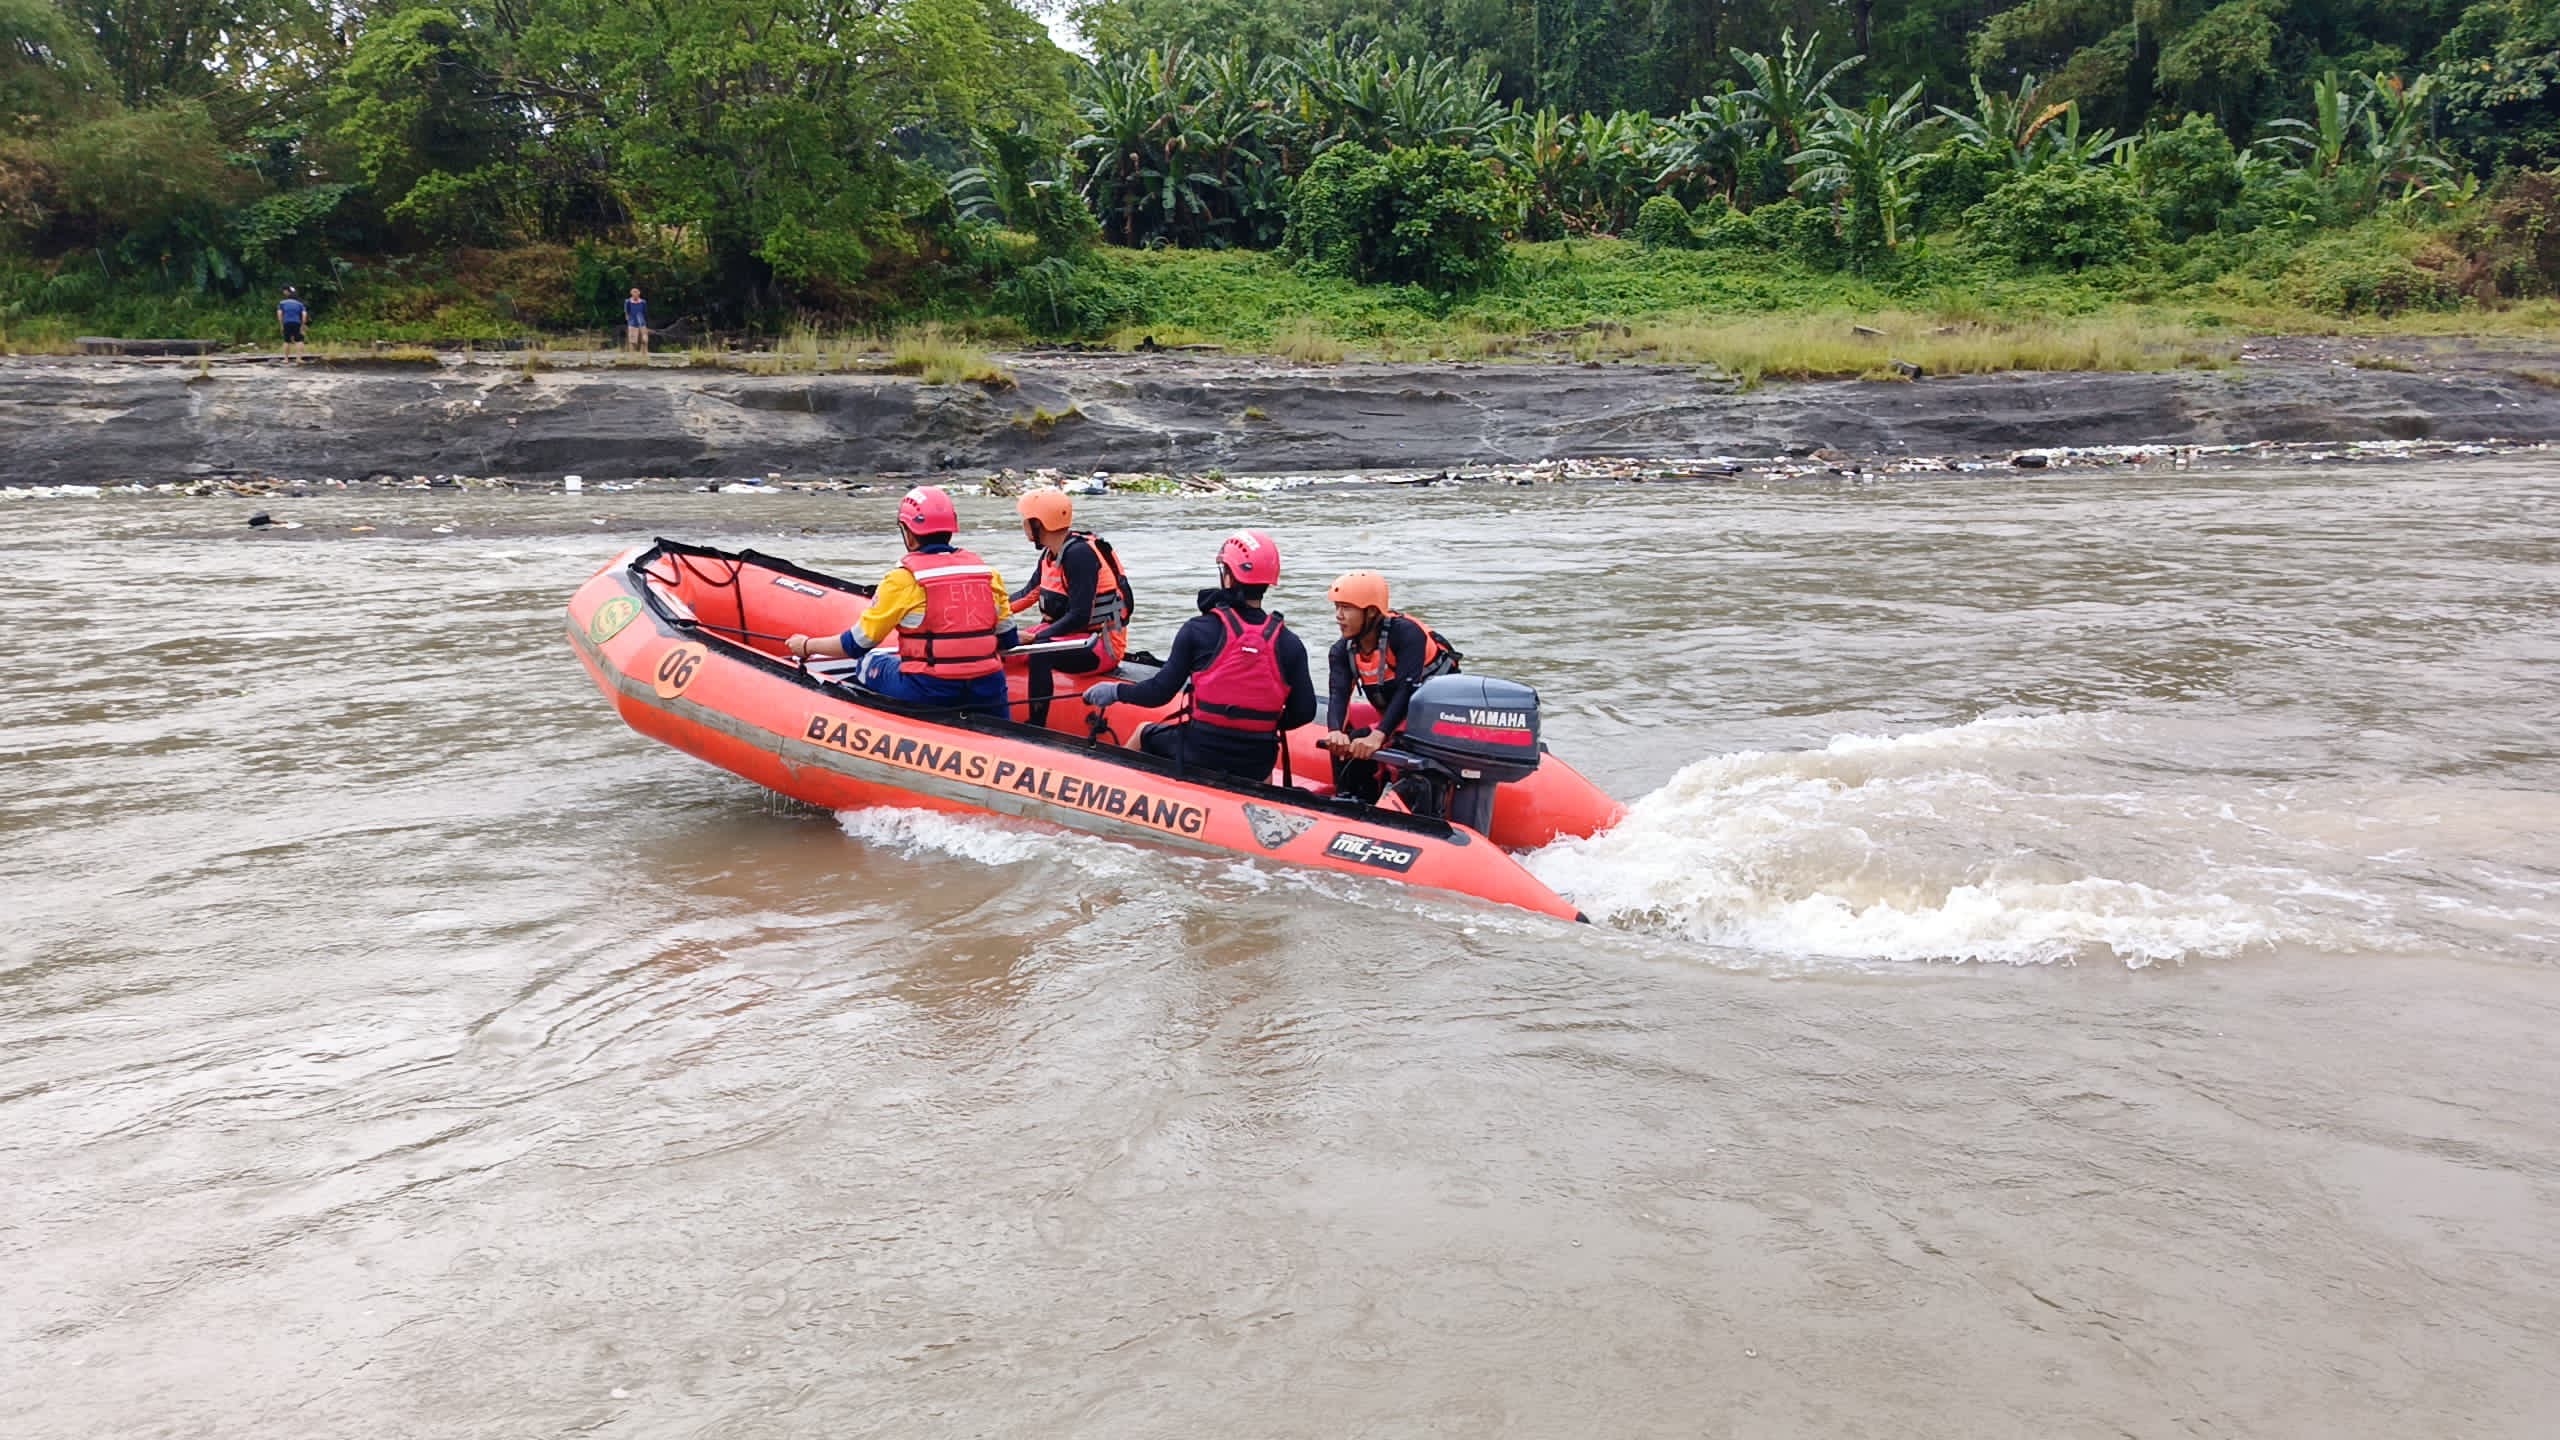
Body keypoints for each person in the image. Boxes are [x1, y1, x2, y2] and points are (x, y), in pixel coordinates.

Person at [1081, 530, 1315, 783]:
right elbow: (1304, 712)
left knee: (1142, 732)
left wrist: (1115, 692)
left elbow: (1159, 693)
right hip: (1256, 761)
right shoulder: (1290, 643)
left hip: (1200, 750)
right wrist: (1257, 727)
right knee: (1263, 764)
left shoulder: (1199, 629)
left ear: (1228, 576)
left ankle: (1115, 791)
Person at [785, 486, 1017, 716]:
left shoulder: (902, 579)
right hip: (989, 691)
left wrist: (806, 645)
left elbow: (855, 645)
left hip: (927, 691)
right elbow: (1008, 639)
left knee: (871, 659)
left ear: (908, 532)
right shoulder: (988, 573)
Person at [1318, 570, 1462, 811]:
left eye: (1347, 608)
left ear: (1372, 611)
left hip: (1433, 718)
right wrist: (1335, 732)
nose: (1339, 616)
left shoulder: (1406, 634)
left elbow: (1407, 690)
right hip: (1397, 714)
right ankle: (1349, 798)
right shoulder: (1342, 651)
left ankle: (1410, 802)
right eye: (1337, 608)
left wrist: (1378, 735)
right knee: (1350, 732)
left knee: (1368, 736)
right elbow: (1339, 695)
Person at [1008, 489, 1136, 727]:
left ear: (1039, 523)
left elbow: (1079, 616)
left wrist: (1035, 637)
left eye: (1025, 521)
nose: (1023, 526)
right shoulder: (1050, 554)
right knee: (1004, 641)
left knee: (1040, 650)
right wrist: (990, 613)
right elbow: (1028, 594)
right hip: (1068, 637)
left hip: (1100, 645)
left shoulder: (1079, 555)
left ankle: (1036, 725)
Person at [277, 287, 308, 360]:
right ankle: (299, 359)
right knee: (299, 340)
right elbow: (304, 315)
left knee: (286, 340)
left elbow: (279, 314)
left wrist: (281, 324)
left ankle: (286, 359)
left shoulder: (282, 303)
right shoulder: (300, 304)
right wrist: (302, 325)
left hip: (286, 322)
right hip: (297, 323)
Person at [624, 288, 649, 352]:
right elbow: (627, 312)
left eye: (636, 292)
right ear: (631, 293)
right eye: (634, 292)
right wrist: (629, 321)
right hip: (632, 323)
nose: (635, 294)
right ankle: (632, 355)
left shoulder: (643, 302)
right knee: (632, 341)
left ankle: (644, 354)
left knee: (644, 340)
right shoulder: (628, 301)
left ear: (639, 293)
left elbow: (645, 312)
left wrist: (644, 322)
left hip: (642, 323)